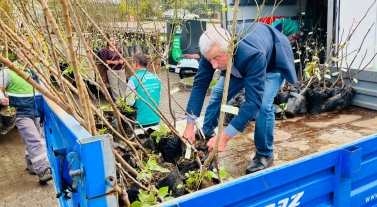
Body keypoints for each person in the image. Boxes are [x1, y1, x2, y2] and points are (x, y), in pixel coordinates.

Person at [183, 22, 297, 174]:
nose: (214, 65)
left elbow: (253, 102)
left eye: (217, 58)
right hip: (239, 63)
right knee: (218, 93)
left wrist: (224, 137)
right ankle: (208, 132)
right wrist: (190, 125)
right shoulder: (211, 50)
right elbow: (200, 84)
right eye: (210, 60)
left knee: (263, 105)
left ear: (230, 48)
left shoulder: (252, 54)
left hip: (271, 63)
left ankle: (265, 153)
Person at [0, 49, 53, 184]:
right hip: (21, 112)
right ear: (18, 54)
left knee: (32, 139)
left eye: (31, 53)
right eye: (26, 53)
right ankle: (42, 171)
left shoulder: (37, 70)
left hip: (36, 111)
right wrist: (1, 99)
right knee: (34, 139)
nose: (30, 56)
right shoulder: (8, 71)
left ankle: (30, 164)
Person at [126, 53, 161, 128]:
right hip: (155, 118)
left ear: (135, 63)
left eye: (132, 62)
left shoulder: (133, 80)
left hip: (140, 121)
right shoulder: (156, 78)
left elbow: (129, 102)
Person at [100, 36, 126, 104]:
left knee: (122, 84)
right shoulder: (105, 50)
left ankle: (123, 98)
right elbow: (104, 60)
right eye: (111, 40)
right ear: (108, 42)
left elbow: (122, 57)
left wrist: (121, 61)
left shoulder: (118, 49)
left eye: (113, 40)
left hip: (121, 69)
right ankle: (118, 100)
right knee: (114, 86)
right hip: (112, 70)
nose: (112, 42)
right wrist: (113, 62)